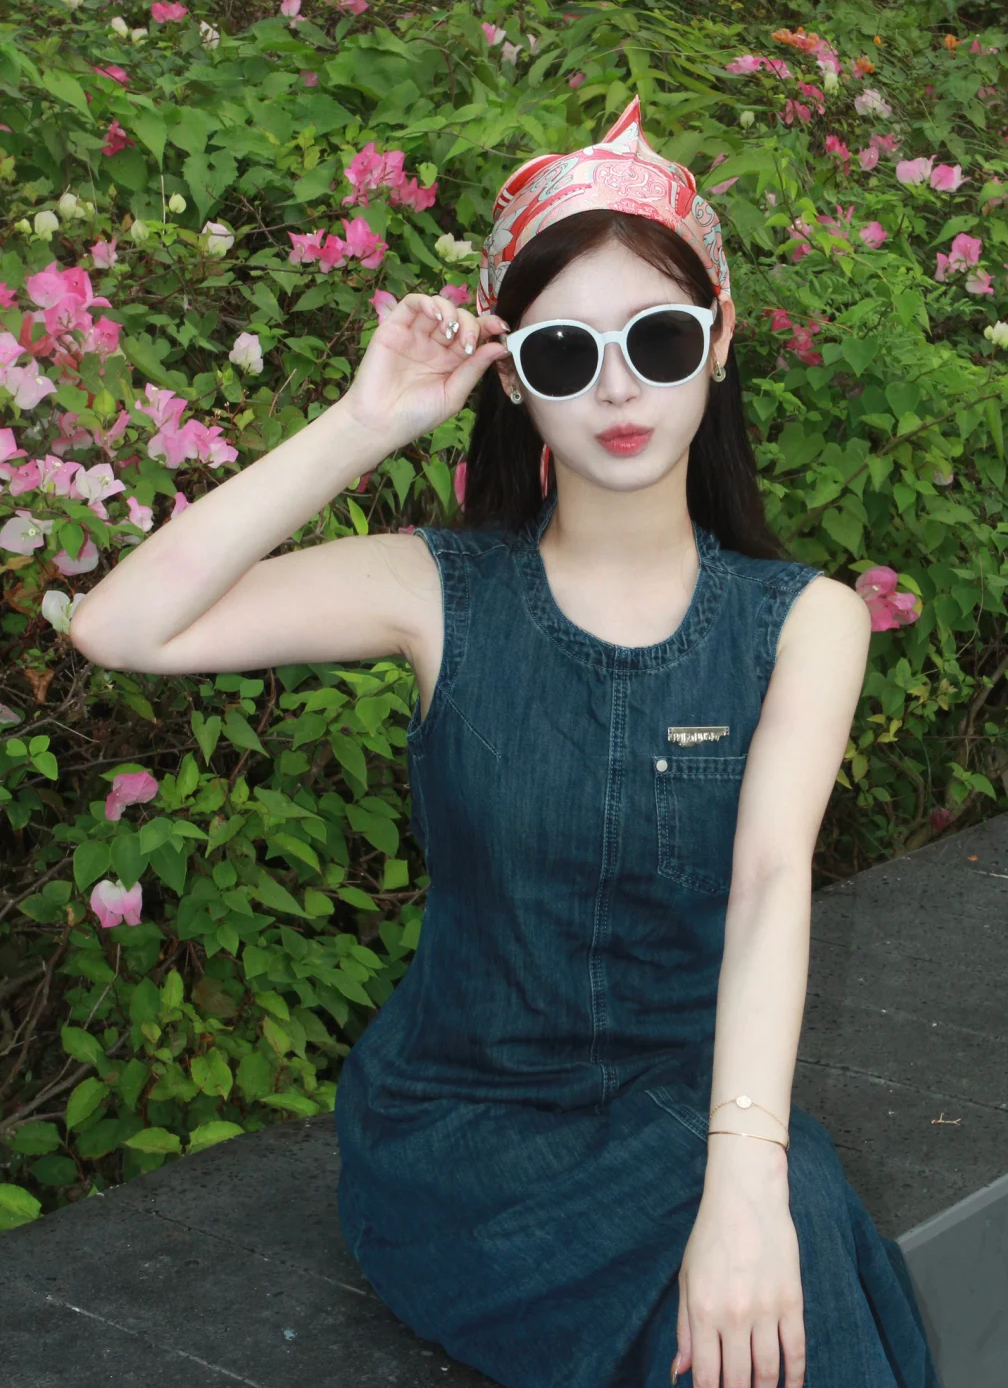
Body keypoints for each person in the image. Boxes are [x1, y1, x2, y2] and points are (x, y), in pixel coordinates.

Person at [70, 97, 943, 1388]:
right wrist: (367, 422)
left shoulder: (804, 622)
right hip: (462, 1140)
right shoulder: (436, 593)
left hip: (698, 1117)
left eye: (657, 338)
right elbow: (119, 626)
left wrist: (744, 1183)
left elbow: (771, 885)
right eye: (565, 352)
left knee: (790, 1239)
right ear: (515, 375)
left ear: (718, 343)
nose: (619, 388)